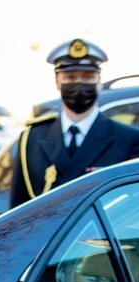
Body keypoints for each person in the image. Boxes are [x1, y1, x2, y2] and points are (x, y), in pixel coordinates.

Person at [10, 38, 139, 208]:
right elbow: (19, 208)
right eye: (70, 77)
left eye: (87, 77)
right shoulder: (31, 138)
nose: (79, 84)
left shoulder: (128, 139)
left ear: (99, 81)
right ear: (57, 81)